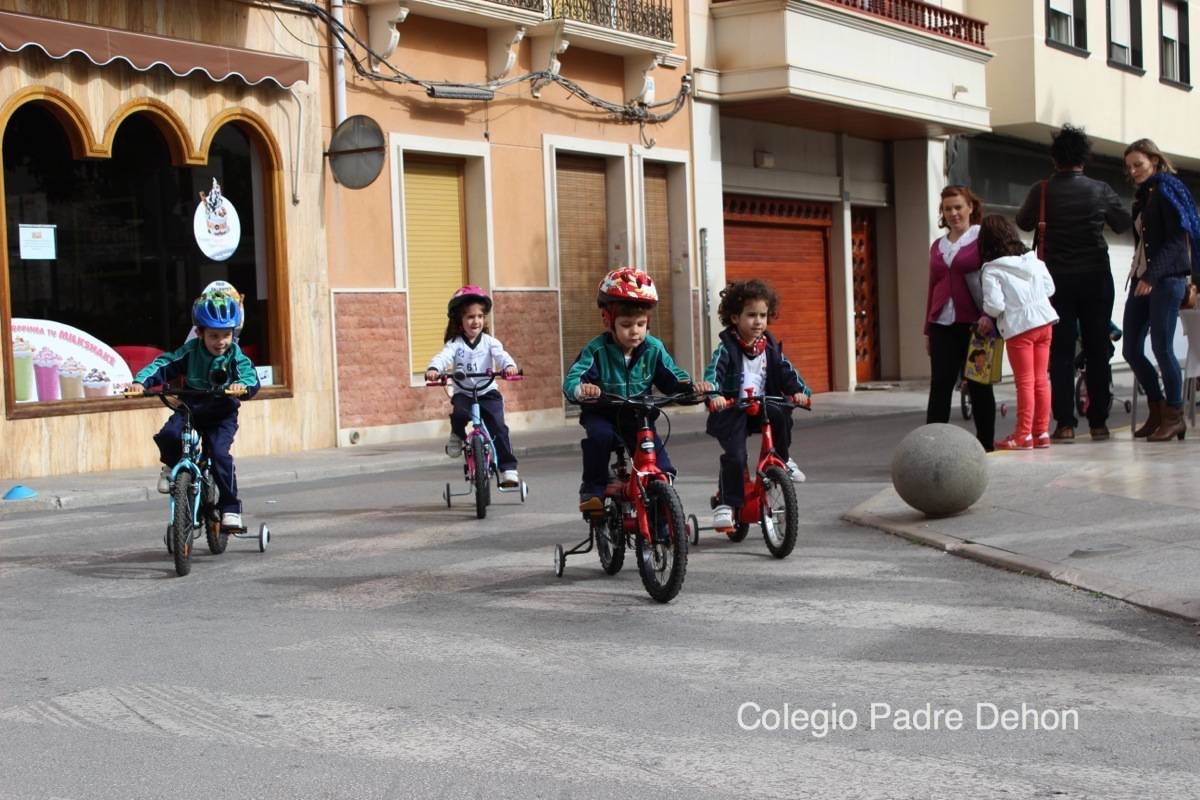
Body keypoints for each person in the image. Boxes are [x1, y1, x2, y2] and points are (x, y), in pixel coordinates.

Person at [1016, 124, 1132, 442]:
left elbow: (1024, 222)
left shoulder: (1041, 190)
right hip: (1096, 277)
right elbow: (1123, 224)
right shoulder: (1100, 189)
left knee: (1061, 352)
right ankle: (1098, 422)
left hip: (1055, 282)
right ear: (1085, 158)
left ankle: (1065, 424)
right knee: (1097, 349)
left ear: (1054, 159)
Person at [563, 267, 711, 513]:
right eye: (626, 324)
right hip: (604, 413)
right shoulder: (596, 350)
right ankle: (593, 489)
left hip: (638, 417)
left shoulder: (653, 348)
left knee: (660, 467)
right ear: (607, 320)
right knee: (599, 437)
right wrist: (581, 389)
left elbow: (672, 376)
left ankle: (664, 526)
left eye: (641, 324)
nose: (635, 331)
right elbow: (573, 379)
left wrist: (690, 388)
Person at [127, 287, 260, 528]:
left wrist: (243, 385)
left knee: (220, 455)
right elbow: (163, 364)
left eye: (226, 335)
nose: (221, 342)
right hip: (192, 407)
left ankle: (230, 507)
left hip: (221, 413)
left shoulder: (235, 354)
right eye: (213, 336)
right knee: (169, 435)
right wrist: (140, 382)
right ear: (199, 333)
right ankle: (171, 466)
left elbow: (250, 375)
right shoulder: (190, 352)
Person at [703, 279, 812, 529]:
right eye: (751, 315)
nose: (758, 321)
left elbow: (787, 372)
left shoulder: (770, 347)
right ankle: (727, 504)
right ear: (734, 318)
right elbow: (712, 375)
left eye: (763, 315)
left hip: (762, 405)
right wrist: (714, 395)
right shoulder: (727, 349)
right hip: (733, 410)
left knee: (781, 413)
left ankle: (782, 460)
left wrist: (800, 392)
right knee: (736, 454)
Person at [1121, 138, 1200, 442]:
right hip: (1143, 277)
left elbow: (1177, 240)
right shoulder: (1144, 195)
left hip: (1165, 280)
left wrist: (1152, 276)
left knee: (1162, 348)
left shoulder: (1167, 189)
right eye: (1129, 167)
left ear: (1153, 160)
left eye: (1138, 164)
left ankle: (1174, 416)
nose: (1134, 170)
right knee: (1130, 348)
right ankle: (1157, 410)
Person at [424, 285, 521, 488]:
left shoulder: (489, 342)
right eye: (469, 317)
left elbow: (502, 356)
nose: (475, 321)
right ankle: (457, 435)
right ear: (460, 321)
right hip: (464, 392)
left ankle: (508, 469)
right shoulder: (455, 343)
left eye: (479, 316)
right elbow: (443, 357)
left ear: (484, 318)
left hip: (487, 391)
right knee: (459, 413)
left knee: (499, 427)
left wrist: (509, 366)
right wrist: (434, 368)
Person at [925, 185, 996, 452]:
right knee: (940, 385)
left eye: (958, 207)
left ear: (970, 208)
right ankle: (931, 445)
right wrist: (926, 330)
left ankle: (986, 444)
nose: (953, 213)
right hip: (941, 324)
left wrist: (990, 315)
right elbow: (932, 287)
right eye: (947, 208)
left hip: (977, 325)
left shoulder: (982, 239)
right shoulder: (938, 246)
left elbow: (994, 279)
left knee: (979, 385)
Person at [978, 215, 1059, 450]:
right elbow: (1049, 287)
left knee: (1024, 382)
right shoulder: (1032, 260)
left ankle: (1023, 434)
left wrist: (988, 313)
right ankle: (1041, 432)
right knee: (1041, 379)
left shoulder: (991, 269)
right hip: (1044, 322)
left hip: (1019, 328)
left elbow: (995, 306)